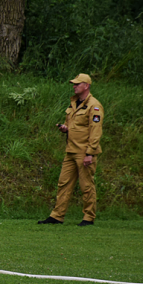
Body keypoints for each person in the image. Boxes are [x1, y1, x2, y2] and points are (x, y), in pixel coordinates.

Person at [38, 73, 104, 226]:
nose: (74, 86)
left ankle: (88, 218)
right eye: (74, 84)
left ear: (86, 86)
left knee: (86, 185)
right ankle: (56, 216)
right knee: (64, 183)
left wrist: (90, 153)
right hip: (71, 150)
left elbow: (95, 131)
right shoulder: (73, 103)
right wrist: (65, 129)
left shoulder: (94, 106)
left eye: (77, 84)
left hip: (84, 151)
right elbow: (77, 126)